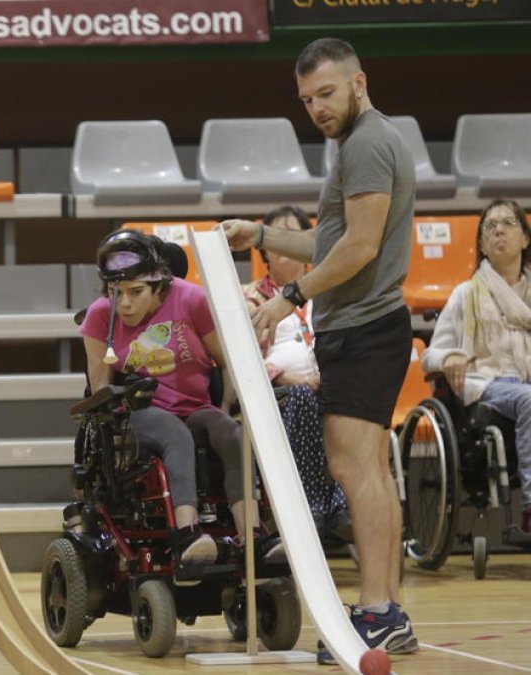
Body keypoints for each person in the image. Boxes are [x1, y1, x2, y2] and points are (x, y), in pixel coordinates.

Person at [221, 37, 418, 661]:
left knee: (356, 470)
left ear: (359, 82)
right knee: (369, 473)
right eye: (307, 100)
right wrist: (262, 234)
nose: (318, 108)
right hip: (365, 328)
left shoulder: (366, 145)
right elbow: (336, 242)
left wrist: (289, 296)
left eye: (327, 94)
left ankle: (378, 612)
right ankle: (388, 612)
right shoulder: (357, 145)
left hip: (364, 329)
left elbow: (359, 251)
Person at [79, 229, 284, 570]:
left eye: (135, 292)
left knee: (227, 432)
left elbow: (229, 361)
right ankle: (186, 534)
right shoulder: (101, 315)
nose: (124, 303)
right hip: (139, 412)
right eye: (116, 292)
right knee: (175, 433)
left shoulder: (191, 300)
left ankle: (253, 535)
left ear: (160, 285)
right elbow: (101, 387)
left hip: (195, 407)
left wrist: (227, 407)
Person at [422, 199, 531, 535]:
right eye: (490, 226)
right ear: (482, 244)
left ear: (525, 239)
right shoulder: (465, 294)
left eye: (509, 223)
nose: (499, 230)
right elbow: (431, 355)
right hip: (487, 386)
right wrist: (449, 357)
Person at [243, 205, 351, 543]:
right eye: (278, 237)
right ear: (264, 253)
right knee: (304, 397)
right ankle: (313, 507)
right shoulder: (249, 298)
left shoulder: (331, 294)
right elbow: (242, 358)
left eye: (294, 236)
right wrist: (285, 378)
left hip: (331, 384)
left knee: (354, 399)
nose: (286, 244)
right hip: (276, 393)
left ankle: (344, 507)